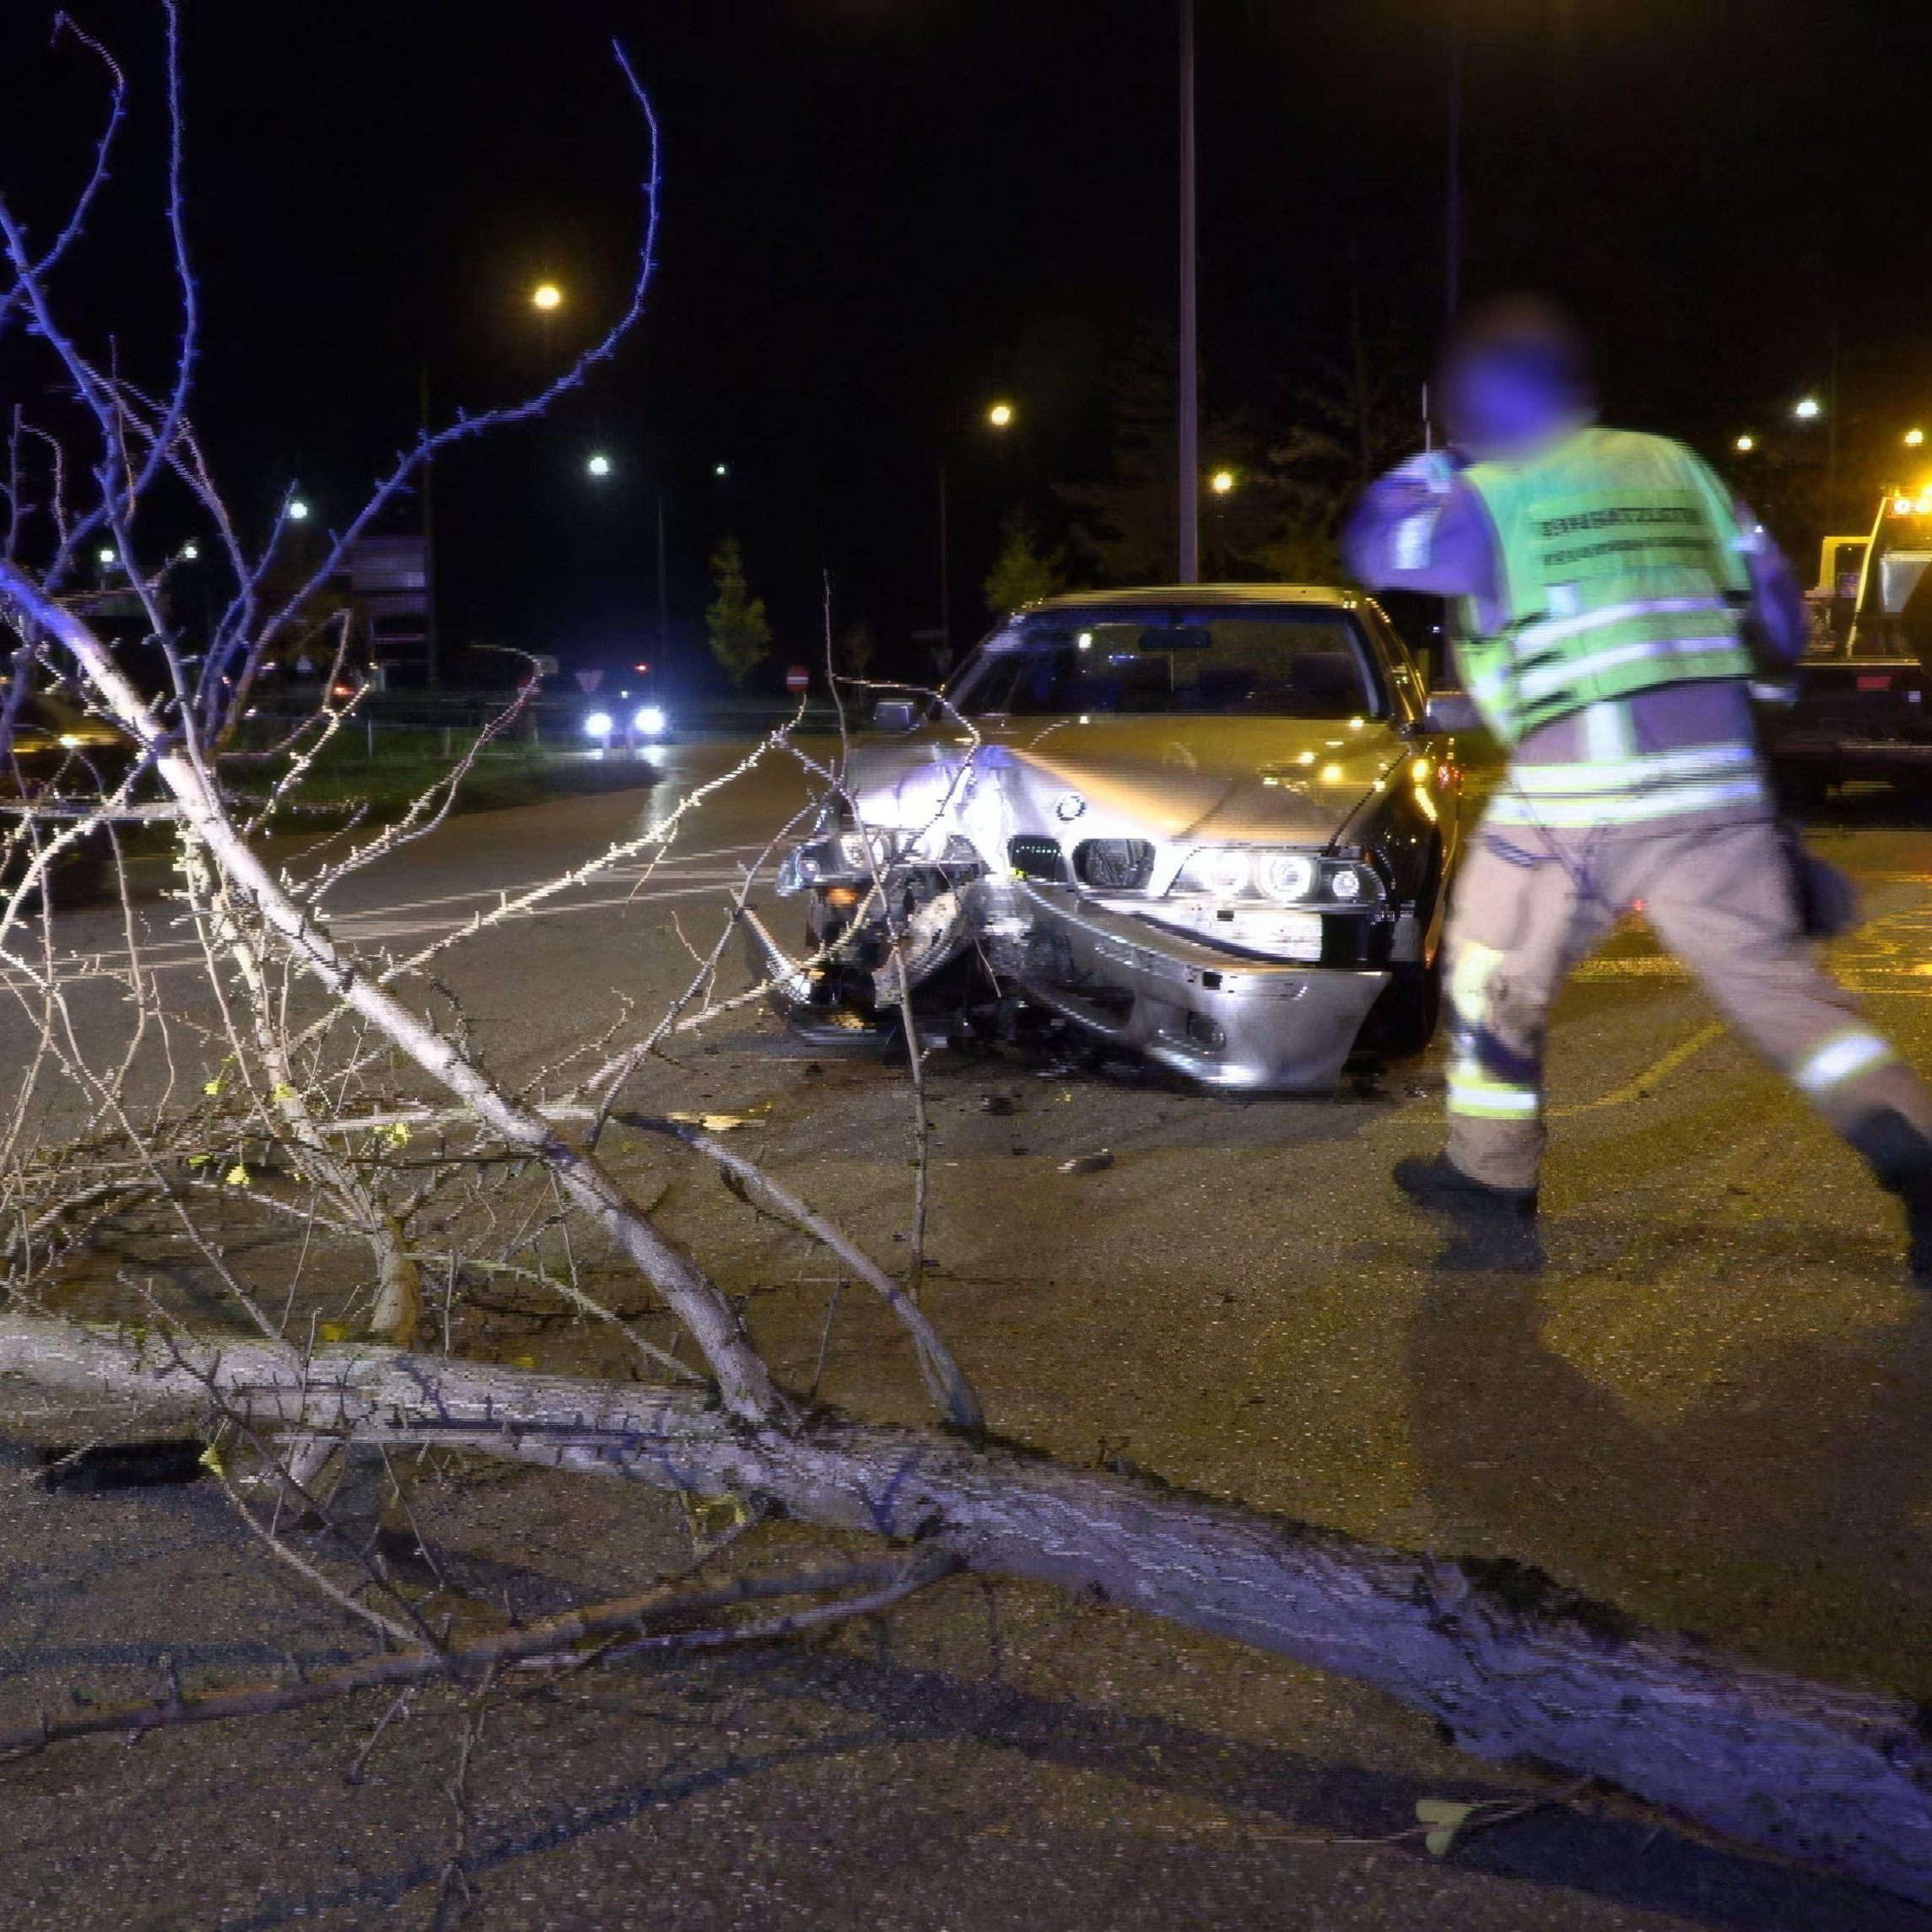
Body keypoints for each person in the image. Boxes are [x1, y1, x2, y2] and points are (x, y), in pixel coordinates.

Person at [1342, 294, 1932, 1277]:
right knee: (1785, 995)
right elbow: (1778, 609)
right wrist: (1760, 724)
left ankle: (1493, 1175)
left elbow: (1380, 548)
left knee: (1492, 970)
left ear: (1490, 399)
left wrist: (1432, 463)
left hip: (1576, 783)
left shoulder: (1495, 488)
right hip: (1713, 780)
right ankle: (1918, 1161)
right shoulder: (1675, 465)